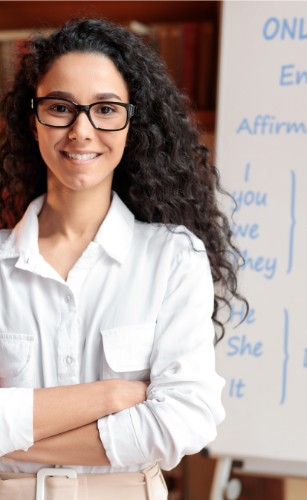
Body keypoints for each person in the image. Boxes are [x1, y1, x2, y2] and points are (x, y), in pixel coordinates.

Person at [0, 18, 244, 500]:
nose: (81, 130)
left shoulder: (173, 258)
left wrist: (12, 442)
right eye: (60, 108)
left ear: (132, 123)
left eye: (106, 109)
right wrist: (110, 395)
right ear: (34, 119)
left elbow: (184, 421)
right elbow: (153, 418)